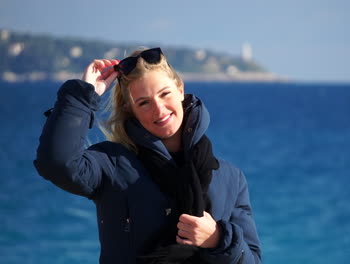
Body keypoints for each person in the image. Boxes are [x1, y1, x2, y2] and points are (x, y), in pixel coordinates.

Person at [34, 47, 261, 264]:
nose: (159, 110)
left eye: (165, 94)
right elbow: (56, 163)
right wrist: (82, 96)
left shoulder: (230, 178)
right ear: (130, 110)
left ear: (180, 89)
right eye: (144, 103)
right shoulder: (112, 164)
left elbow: (252, 260)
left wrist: (218, 238)